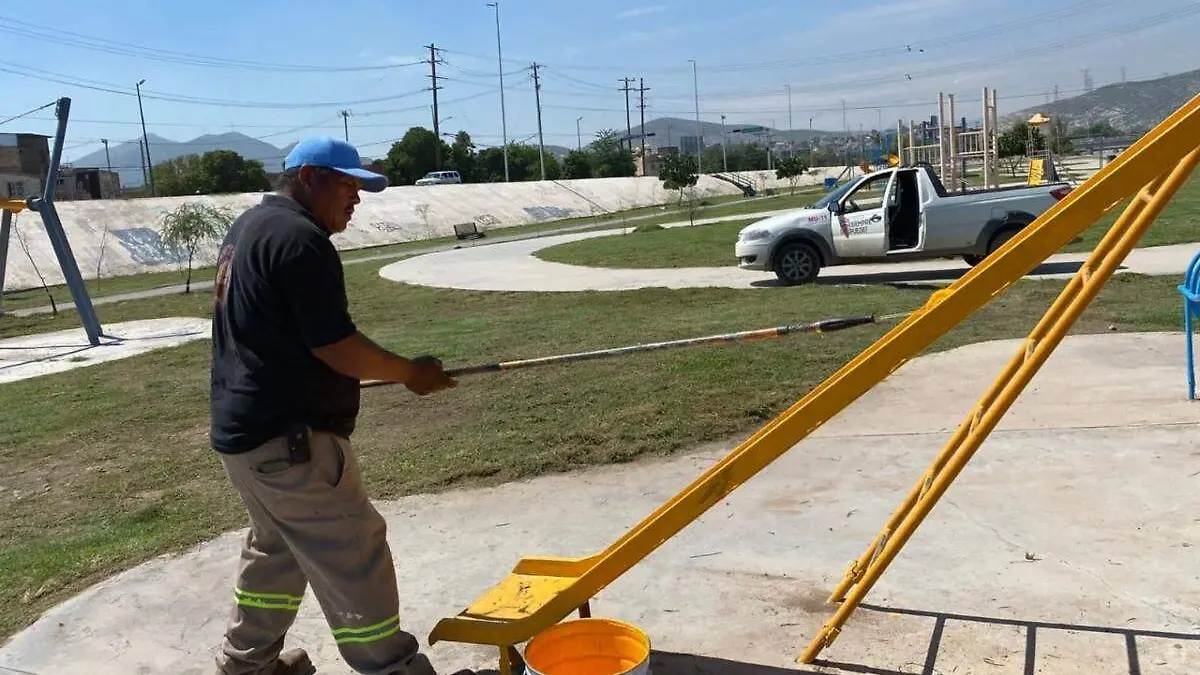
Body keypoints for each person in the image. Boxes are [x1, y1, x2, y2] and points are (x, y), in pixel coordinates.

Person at [208, 136, 456, 675]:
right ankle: (391, 666)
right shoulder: (301, 239)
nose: (356, 198)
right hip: (291, 443)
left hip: (246, 437)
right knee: (352, 552)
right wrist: (411, 373)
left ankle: (246, 666)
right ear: (309, 178)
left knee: (276, 552)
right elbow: (334, 345)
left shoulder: (250, 227)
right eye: (347, 185)